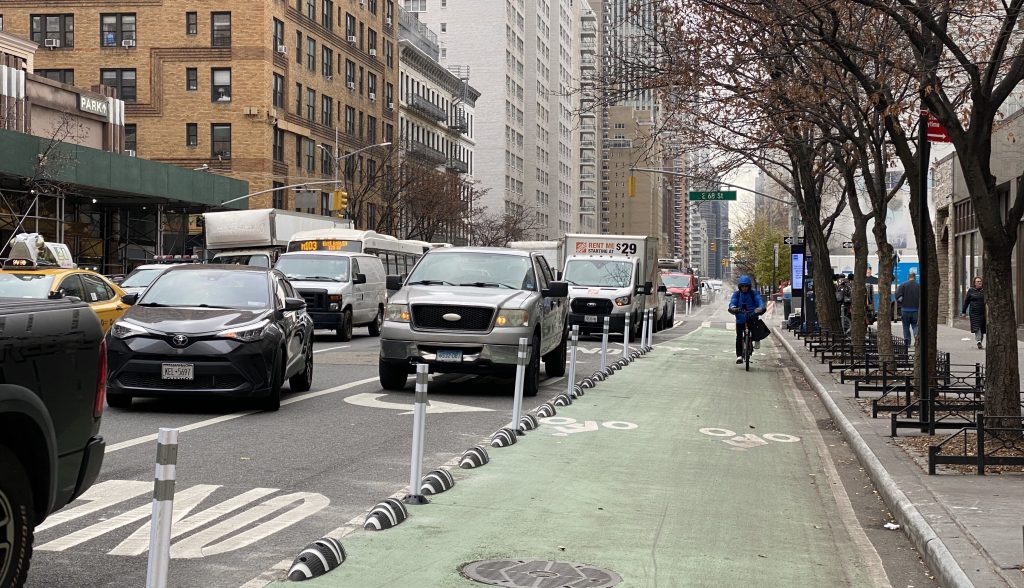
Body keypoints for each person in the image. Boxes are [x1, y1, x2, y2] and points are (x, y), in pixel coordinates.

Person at [728, 275, 766, 364]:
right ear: (740, 287)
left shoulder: (753, 293)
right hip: (740, 318)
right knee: (739, 337)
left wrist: (760, 308)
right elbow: (732, 302)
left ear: (749, 286)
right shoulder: (737, 294)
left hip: (752, 316)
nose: (744, 288)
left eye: (746, 286)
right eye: (742, 286)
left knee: (757, 328)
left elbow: (759, 300)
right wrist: (733, 307)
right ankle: (739, 356)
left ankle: (756, 339)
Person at [895, 271, 921, 344]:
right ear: (915, 277)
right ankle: (916, 337)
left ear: (908, 277)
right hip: (915, 310)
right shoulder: (918, 286)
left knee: (905, 327)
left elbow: (898, 296)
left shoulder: (903, 285)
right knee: (915, 326)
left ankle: (907, 342)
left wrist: (902, 302)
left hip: (905, 310)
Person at [961, 276, 986, 349]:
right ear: (974, 283)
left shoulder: (984, 291)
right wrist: (963, 312)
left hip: (983, 312)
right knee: (976, 327)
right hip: (974, 312)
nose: (979, 282)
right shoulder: (971, 290)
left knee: (982, 328)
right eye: (977, 281)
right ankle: (978, 341)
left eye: (980, 281)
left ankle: (980, 342)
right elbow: (966, 302)